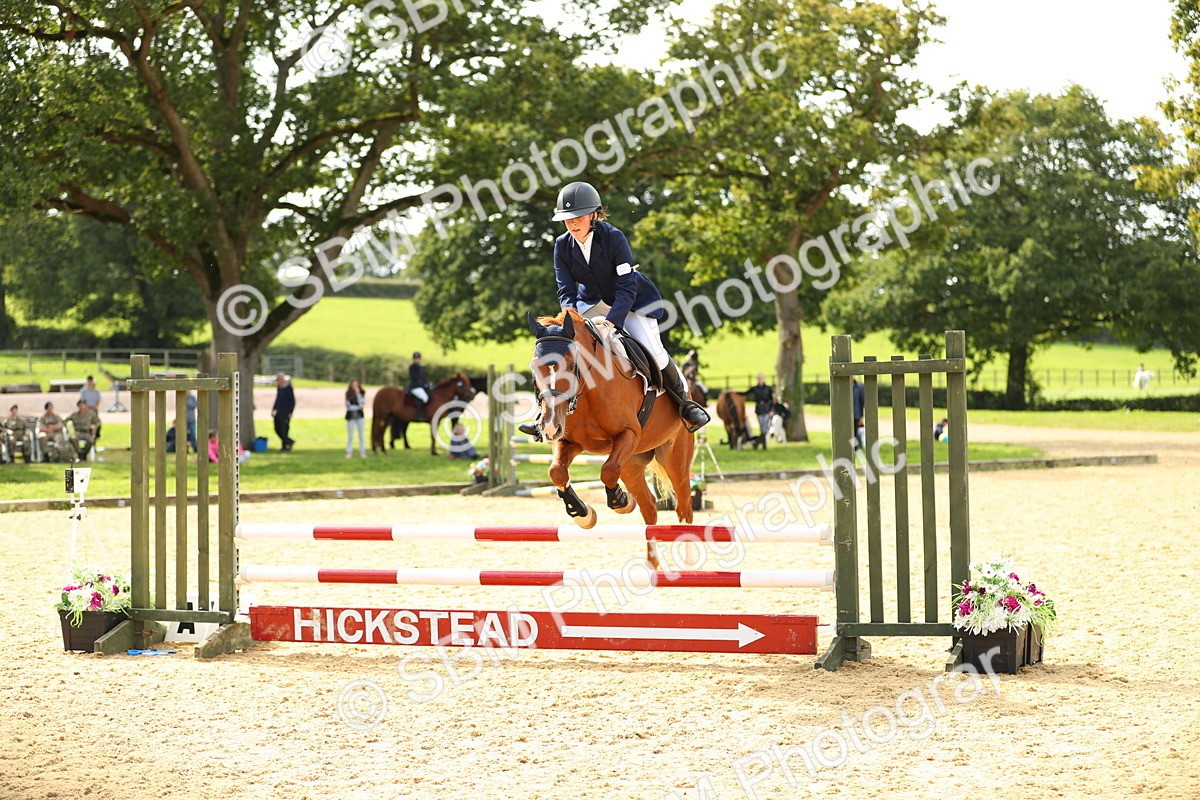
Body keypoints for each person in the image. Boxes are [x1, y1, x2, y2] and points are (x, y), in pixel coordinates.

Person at [518, 181, 709, 439]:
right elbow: (566, 291)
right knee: (558, 349)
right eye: (567, 220)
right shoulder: (562, 245)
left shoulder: (613, 238)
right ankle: (545, 416)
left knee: (655, 351)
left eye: (578, 217)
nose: (572, 224)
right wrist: (571, 321)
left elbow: (627, 287)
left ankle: (686, 404)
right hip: (590, 304)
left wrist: (612, 322)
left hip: (630, 303)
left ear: (594, 215)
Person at [744, 374, 775, 440]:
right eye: (759, 378)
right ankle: (763, 441)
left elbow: (772, 400)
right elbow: (745, 393)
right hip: (759, 410)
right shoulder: (755, 389)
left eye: (761, 378)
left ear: (764, 379)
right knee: (762, 427)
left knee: (765, 427)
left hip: (767, 409)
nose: (760, 379)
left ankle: (763, 441)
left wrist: (772, 410)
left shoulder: (768, 388)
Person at [272, 373, 296, 452]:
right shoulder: (279, 388)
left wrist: (290, 412)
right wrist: (274, 409)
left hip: (286, 412)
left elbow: (292, 401)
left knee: (284, 429)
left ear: (282, 380)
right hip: (279, 411)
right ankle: (289, 441)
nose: (277, 382)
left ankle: (285, 447)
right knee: (277, 428)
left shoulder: (288, 388)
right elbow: (277, 399)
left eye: (278, 380)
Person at [345, 378, 367, 459]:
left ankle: (362, 451)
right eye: (353, 385)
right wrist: (357, 407)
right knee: (350, 435)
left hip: (359, 415)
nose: (355, 387)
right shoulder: (348, 393)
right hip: (351, 415)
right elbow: (348, 405)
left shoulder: (362, 393)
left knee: (361, 434)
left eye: (356, 385)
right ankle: (349, 451)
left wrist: (358, 394)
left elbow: (362, 404)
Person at [79, 376, 103, 442]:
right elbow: (82, 402)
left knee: (97, 424)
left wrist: (94, 408)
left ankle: (95, 437)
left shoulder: (96, 392)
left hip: (94, 410)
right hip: (86, 410)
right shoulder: (83, 391)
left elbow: (98, 402)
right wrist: (87, 409)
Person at [408, 352, 429, 422]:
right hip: (415, 387)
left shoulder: (420, 368)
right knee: (425, 398)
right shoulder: (412, 368)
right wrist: (422, 385)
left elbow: (423, 378)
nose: (417, 360)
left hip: (421, 386)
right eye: (415, 358)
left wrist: (426, 384)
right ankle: (419, 414)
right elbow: (415, 378)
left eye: (418, 358)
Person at [852, 378, 865, 450]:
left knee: (855, 432)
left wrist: (861, 416)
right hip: (847, 414)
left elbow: (861, 402)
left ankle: (855, 448)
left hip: (856, 414)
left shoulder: (859, 387)